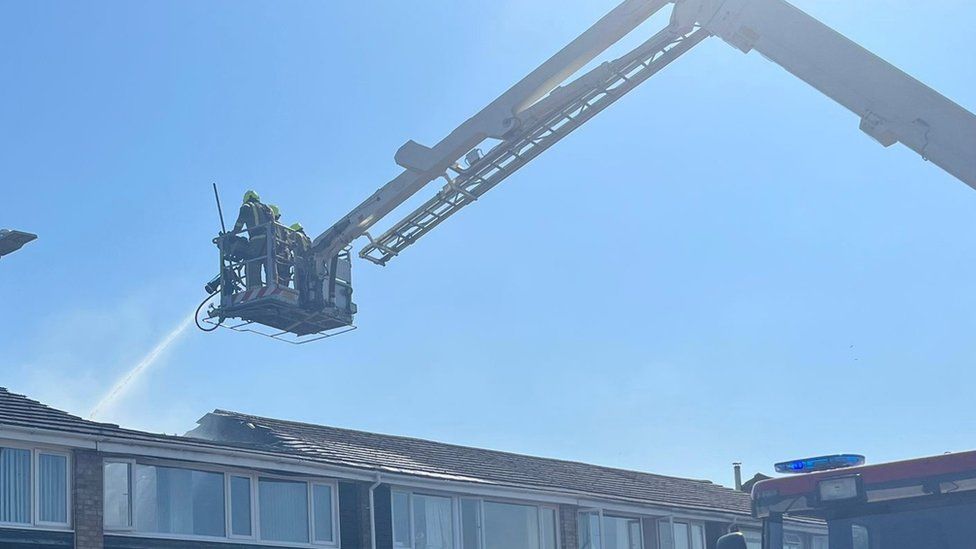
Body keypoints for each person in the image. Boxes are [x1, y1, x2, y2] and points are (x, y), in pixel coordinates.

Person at [232, 190, 274, 288]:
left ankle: (254, 288)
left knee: (252, 261)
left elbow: (239, 224)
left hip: (256, 238)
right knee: (269, 262)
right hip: (271, 239)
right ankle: (272, 284)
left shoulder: (246, 207)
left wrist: (232, 235)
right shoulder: (266, 208)